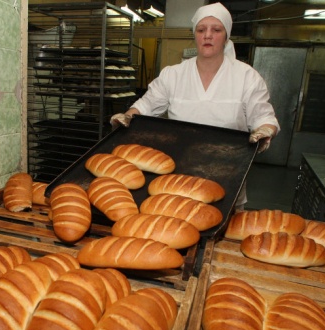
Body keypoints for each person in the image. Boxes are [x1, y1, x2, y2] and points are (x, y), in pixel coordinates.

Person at [110, 2, 280, 208]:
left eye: (216, 30)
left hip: (228, 177)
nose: (208, 35)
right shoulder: (173, 75)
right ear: (195, 35)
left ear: (226, 36)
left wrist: (264, 131)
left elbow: (264, 117)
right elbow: (146, 105)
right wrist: (128, 116)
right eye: (201, 30)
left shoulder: (246, 77)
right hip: (180, 180)